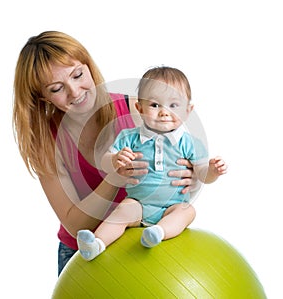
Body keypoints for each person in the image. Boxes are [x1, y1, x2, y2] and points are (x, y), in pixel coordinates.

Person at [12, 31, 197, 275]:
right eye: (57, 88)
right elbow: (76, 225)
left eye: (78, 75)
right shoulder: (46, 140)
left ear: (89, 66)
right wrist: (114, 177)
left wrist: (192, 175)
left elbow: (176, 165)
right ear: (42, 96)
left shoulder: (136, 108)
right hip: (82, 253)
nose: (75, 92)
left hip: (143, 239)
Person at [77, 66, 227, 261]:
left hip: (172, 206)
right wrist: (114, 160)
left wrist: (213, 171)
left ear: (188, 111)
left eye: (174, 105)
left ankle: (158, 232)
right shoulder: (130, 137)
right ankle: (96, 244)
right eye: (155, 105)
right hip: (138, 204)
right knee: (122, 211)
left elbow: (201, 174)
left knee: (187, 211)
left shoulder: (189, 143)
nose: (164, 113)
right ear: (139, 109)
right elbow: (106, 161)